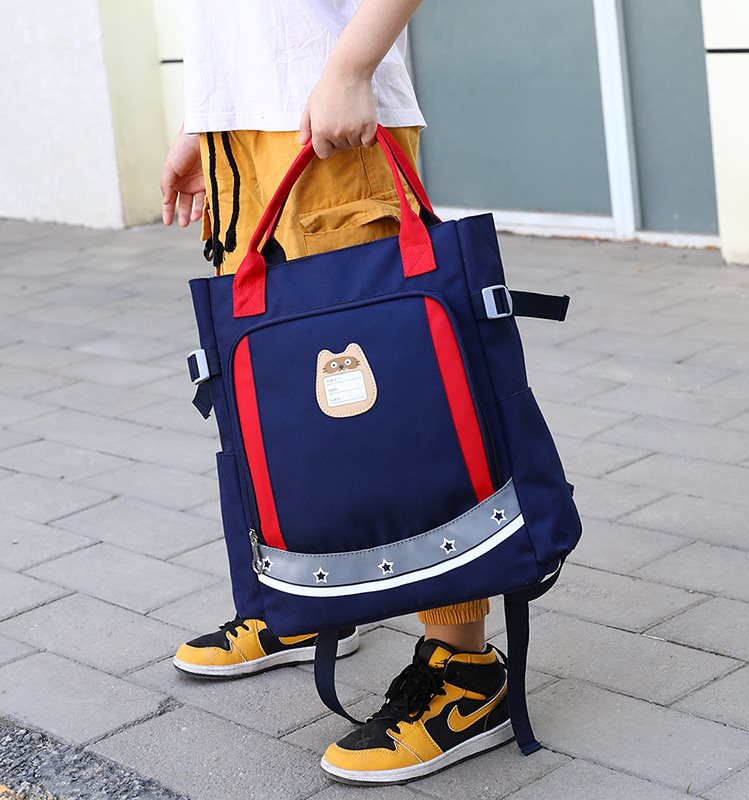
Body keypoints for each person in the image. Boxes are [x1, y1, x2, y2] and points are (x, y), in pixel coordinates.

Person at [160, 0, 510, 783]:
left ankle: (465, 670)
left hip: (327, 110)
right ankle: (307, 602)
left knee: (388, 405)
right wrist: (204, 116)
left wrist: (352, 66)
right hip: (240, 127)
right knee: (275, 400)